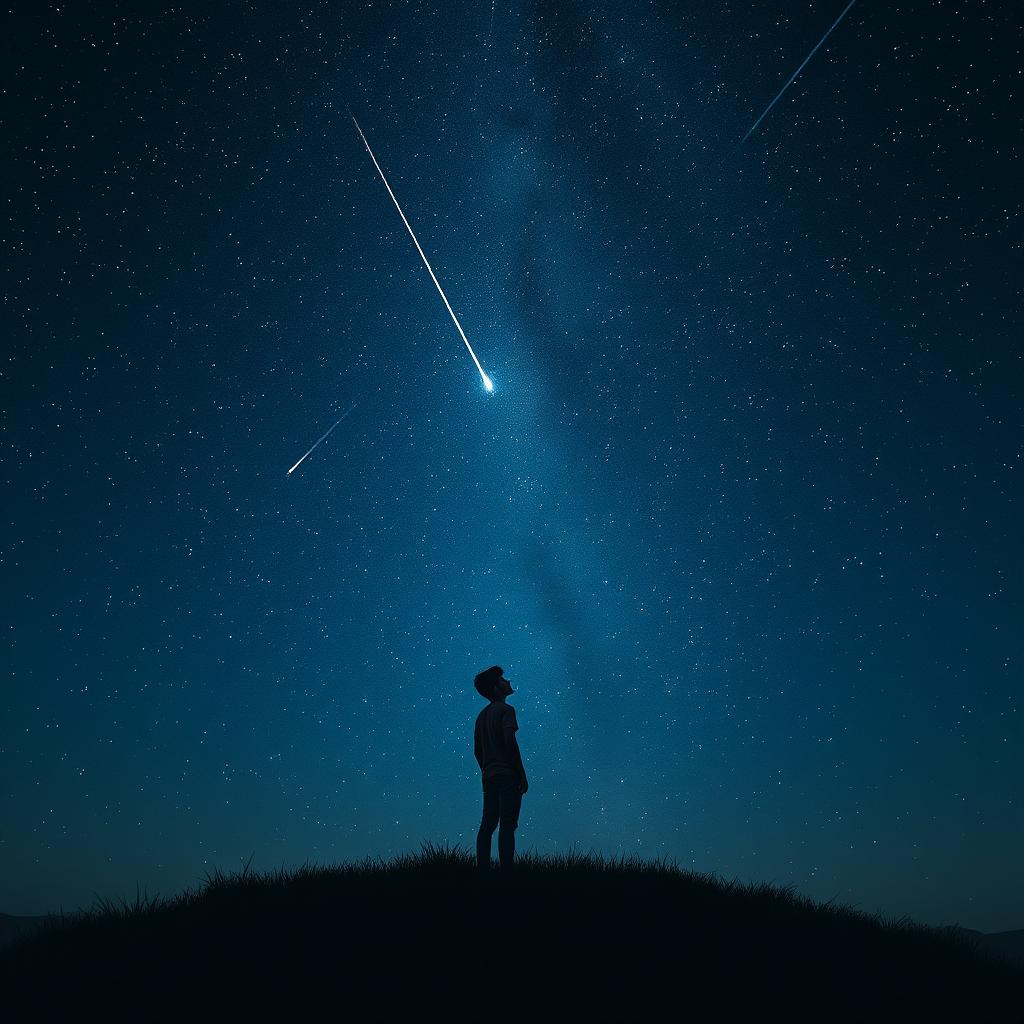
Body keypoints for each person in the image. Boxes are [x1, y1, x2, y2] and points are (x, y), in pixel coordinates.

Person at [473, 665, 528, 877]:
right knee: (507, 824)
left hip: (489, 775)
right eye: (503, 679)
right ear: (496, 688)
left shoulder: (481, 717)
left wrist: (487, 768)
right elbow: (509, 740)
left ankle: (483, 871)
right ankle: (507, 872)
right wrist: (520, 771)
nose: (508, 681)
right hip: (507, 774)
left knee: (487, 823)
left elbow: (477, 750)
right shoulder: (506, 710)